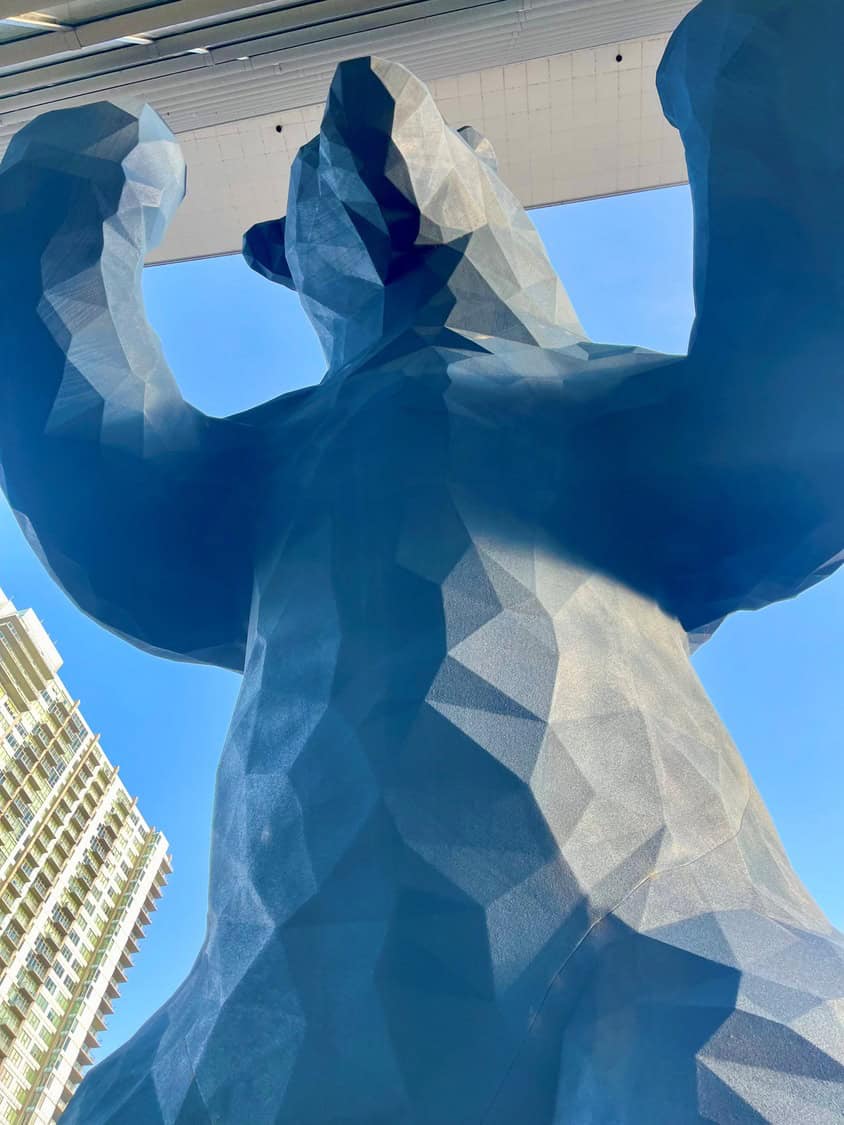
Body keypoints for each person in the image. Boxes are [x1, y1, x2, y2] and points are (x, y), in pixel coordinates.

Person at [1, 1, 842, 1120]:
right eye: (311, 182)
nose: (376, 110)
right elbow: (104, 495)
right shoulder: (273, 465)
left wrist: (69, 195)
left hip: (657, 971)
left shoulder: (607, 410)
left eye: (465, 159)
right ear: (294, 271)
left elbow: (799, 418)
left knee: (757, 1046)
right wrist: (752, 76)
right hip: (246, 1043)